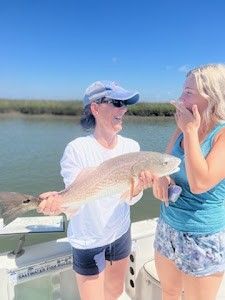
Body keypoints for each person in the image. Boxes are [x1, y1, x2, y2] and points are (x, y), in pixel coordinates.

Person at [38, 80, 152, 300]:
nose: (124, 109)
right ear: (95, 108)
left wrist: (137, 190)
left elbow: (128, 200)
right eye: (117, 103)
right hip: (88, 238)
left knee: (115, 292)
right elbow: (75, 196)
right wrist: (57, 203)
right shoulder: (77, 149)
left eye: (125, 104)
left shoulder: (132, 148)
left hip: (120, 233)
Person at [152, 64, 225, 300]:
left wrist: (191, 131)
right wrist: (162, 179)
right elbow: (165, 164)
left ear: (212, 97)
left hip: (202, 237)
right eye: (183, 90)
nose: (180, 98)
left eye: (188, 93)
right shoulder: (182, 128)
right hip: (168, 227)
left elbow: (200, 183)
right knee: (170, 293)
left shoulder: (220, 134)